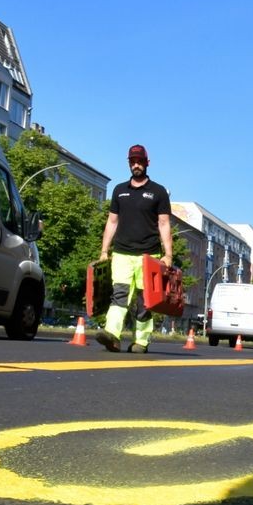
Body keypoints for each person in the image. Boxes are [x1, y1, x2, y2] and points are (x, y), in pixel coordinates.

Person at [96, 144, 173, 353]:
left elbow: (164, 223)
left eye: (139, 161)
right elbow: (111, 222)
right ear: (128, 163)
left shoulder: (158, 192)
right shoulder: (119, 191)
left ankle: (141, 341)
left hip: (149, 256)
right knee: (119, 295)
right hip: (121, 253)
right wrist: (104, 250)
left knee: (144, 301)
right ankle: (112, 335)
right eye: (132, 161)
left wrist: (168, 255)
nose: (136, 164)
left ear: (147, 163)